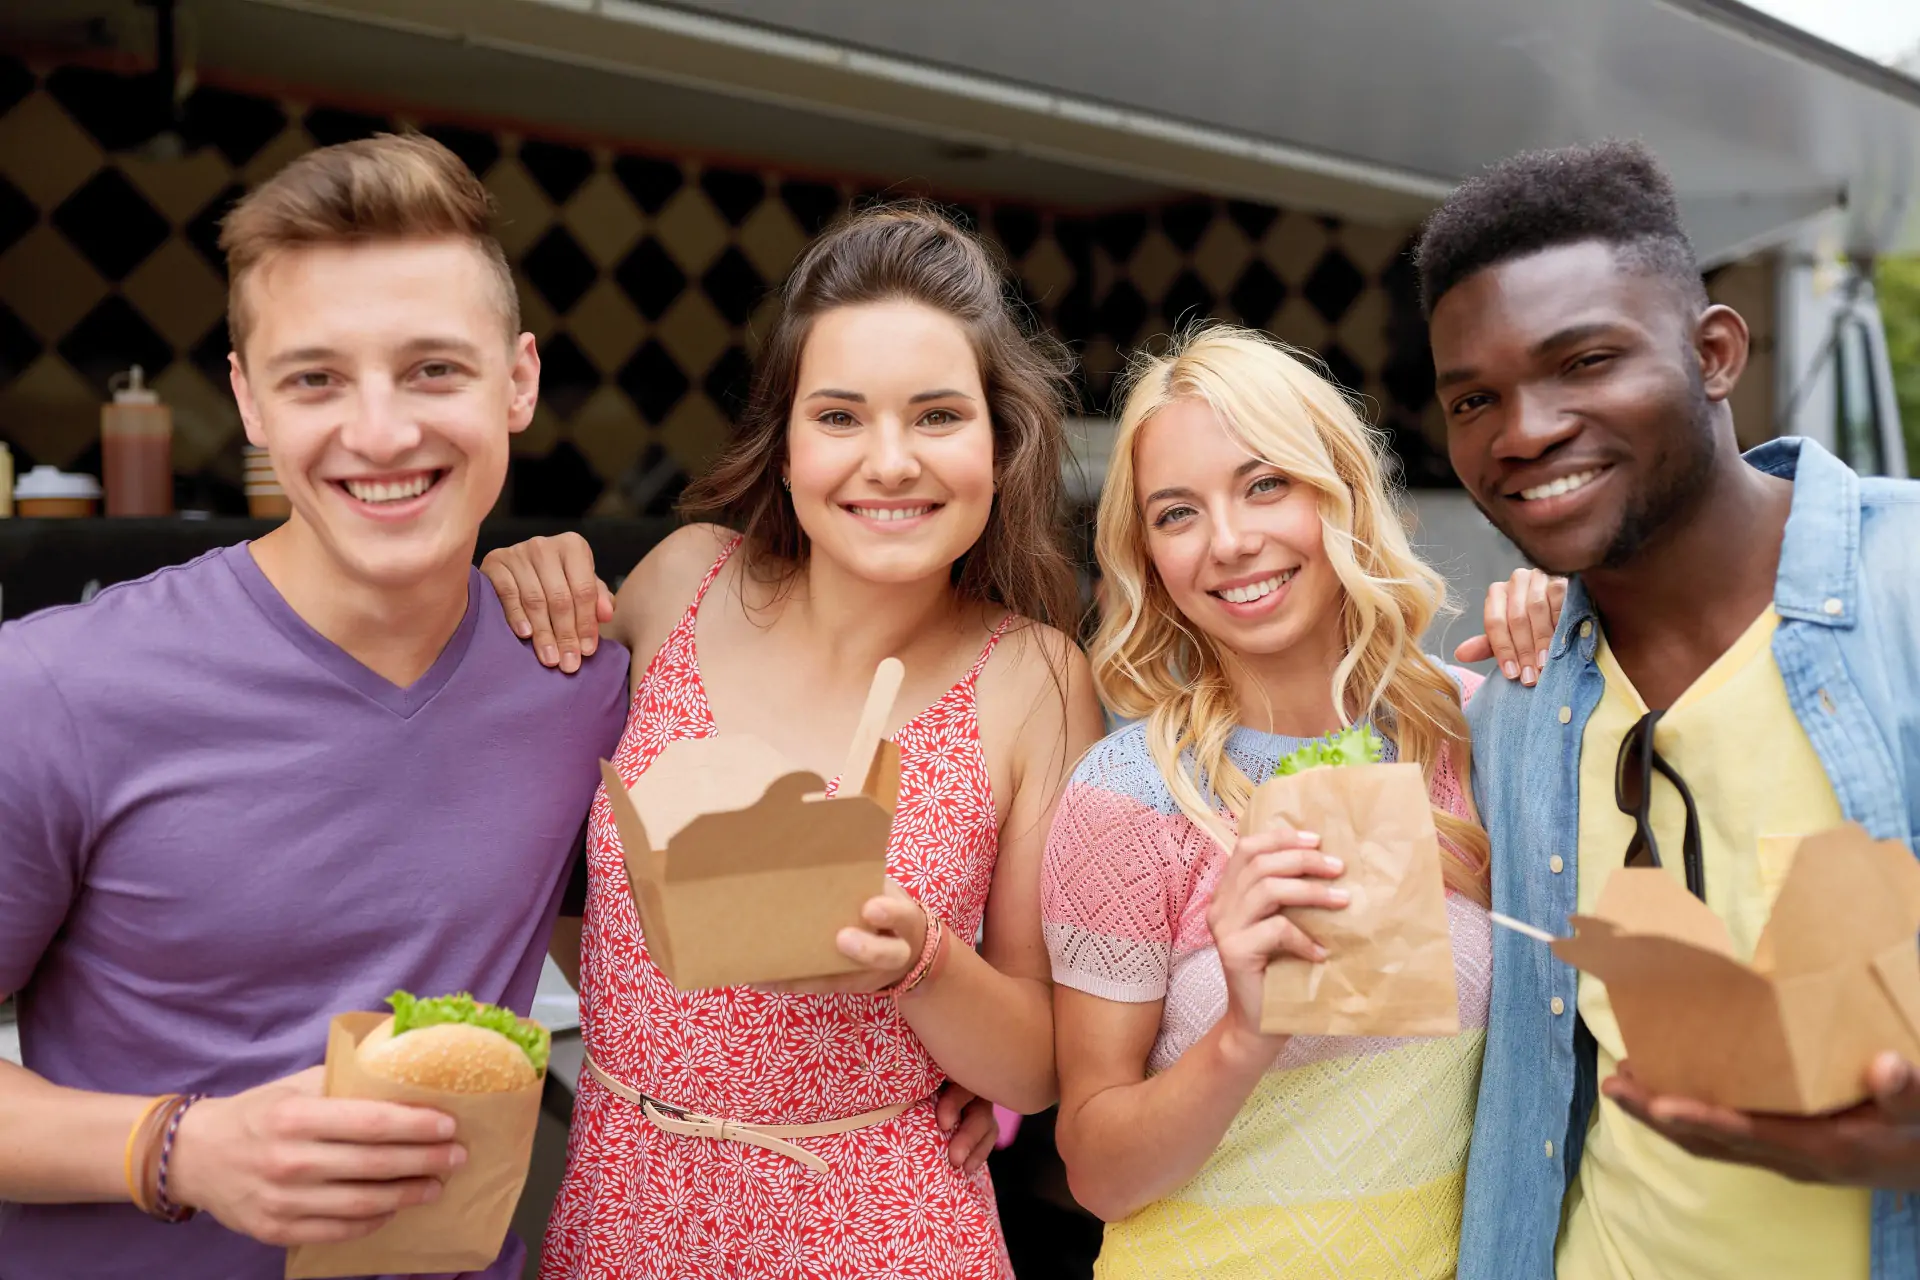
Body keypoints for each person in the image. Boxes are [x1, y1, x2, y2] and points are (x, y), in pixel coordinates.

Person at [0, 133, 632, 1277]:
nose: (381, 432)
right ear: (248, 398)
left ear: (521, 379)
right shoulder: (55, 686)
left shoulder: (582, 681)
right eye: (316, 378)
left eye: (435, 368)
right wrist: (176, 1146)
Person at [481, 203, 1105, 1279]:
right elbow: (542, 845)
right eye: (841, 415)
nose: (891, 461)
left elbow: (1041, 1062)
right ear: (785, 441)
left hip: (880, 1227)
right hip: (625, 1206)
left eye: (939, 415)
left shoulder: (1038, 677)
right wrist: (508, 586)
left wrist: (921, 963)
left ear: (1002, 444)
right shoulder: (682, 580)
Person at [1424, 140, 1920, 1280]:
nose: (1525, 431)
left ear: (1713, 353)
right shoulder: (1517, 698)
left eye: (1584, 361)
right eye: (1474, 398)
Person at [1038, 323, 1558, 1278]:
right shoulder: (1129, 797)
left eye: (1265, 484)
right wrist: (1246, 1028)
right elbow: (1099, 1176)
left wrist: (1584, 634)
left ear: (1342, 492)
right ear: (1147, 555)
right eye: (1177, 513)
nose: (1231, 542)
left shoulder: (1485, 731)